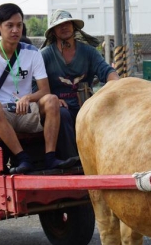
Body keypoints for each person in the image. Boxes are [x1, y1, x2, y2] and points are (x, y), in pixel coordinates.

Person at [0, 3, 78, 174]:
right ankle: (23, 158)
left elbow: (44, 90)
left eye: (19, 25)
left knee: (52, 100)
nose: (15, 30)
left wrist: (28, 98)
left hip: (26, 110)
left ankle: (51, 157)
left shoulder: (32, 52)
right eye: (10, 25)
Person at [41, 9, 119, 159]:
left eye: (67, 23)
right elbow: (35, 85)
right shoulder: (45, 55)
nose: (64, 27)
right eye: (59, 25)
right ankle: (73, 160)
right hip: (58, 108)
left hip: (85, 104)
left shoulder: (89, 52)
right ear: (53, 32)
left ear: (73, 27)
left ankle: (107, 157)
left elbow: (106, 71)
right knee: (62, 114)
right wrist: (51, 99)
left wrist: (116, 84)